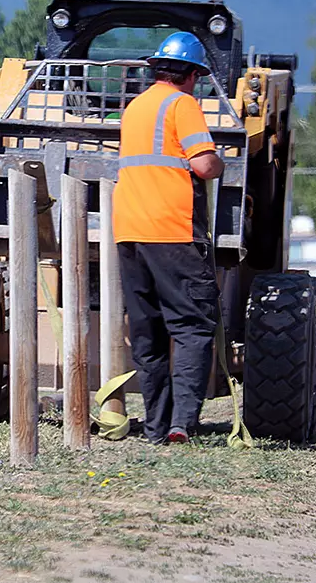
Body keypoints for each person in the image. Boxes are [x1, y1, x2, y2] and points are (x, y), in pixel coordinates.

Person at [112, 31, 225, 445]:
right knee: (194, 326)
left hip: (129, 231)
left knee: (149, 333)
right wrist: (220, 161)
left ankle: (156, 428)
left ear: (157, 68)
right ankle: (183, 424)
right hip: (172, 231)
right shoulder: (183, 104)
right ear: (192, 74)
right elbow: (203, 165)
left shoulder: (135, 107)